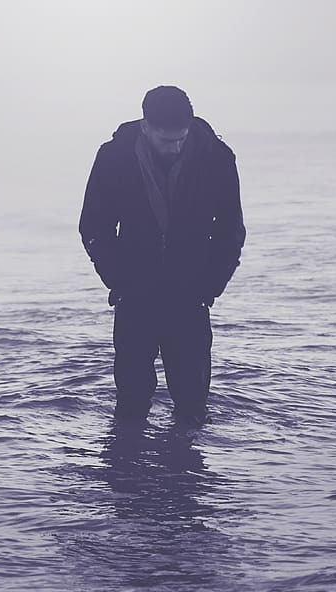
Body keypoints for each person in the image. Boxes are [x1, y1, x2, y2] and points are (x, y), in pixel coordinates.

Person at [79, 86, 246, 426]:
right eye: (166, 140)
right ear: (145, 127)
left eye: (181, 139)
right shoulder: (114, 157)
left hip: (190, 299)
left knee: (193, 408)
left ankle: (186, 478)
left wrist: (209, 288)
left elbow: (231, 231)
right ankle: (129, 477)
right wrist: (120, 281)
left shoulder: (217, 157)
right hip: (135, 297)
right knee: (130, 406)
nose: (175, 147)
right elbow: (94, 227)